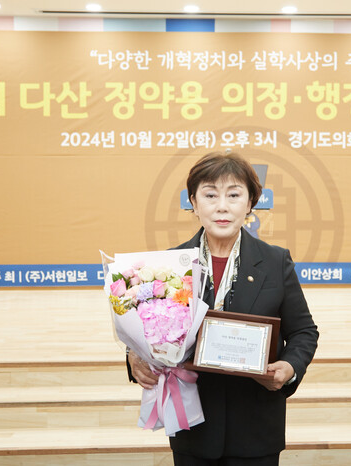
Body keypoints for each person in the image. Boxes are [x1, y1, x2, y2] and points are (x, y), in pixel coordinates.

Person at [128, 151, 319, 465]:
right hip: (193, 427)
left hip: (256, 426)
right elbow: (146, 328)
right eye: (210, 195)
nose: (222, 206)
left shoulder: (275, 261)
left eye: (233, 195)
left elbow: (304, 331)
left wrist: (289, 367)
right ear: (193, 202)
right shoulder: (169, 265)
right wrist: (135, 355)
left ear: (250, 203)